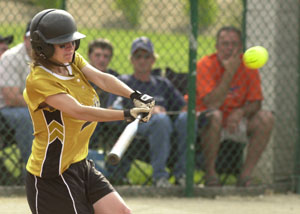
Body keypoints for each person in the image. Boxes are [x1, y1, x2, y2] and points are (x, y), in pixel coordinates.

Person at [24, 9, 154, 214]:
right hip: (52, 176)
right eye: (63, 44)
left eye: (73, 42)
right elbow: (79, 111)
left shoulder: (71, 61)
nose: (70, 48)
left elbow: (103, 79)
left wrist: (135, 96)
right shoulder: (39, 80)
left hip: (80, 165)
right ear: (43, 47)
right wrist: (127, 114)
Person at [195, 26, 274, 187]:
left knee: (266, 118)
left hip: (234, 122)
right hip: (208, 122)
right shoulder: (205, 64)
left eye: (234, 44)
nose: (229, 49)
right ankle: (210, 174)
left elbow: (256, 102)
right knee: (215, 115)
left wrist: (241, 112)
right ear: (217, 47)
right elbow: (212, 103)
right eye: (225, 44)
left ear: (240, 48)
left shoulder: (248, 64)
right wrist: (229, 72)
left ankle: (245, 176)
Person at [107, 36, 187, 187]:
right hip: (134, 130)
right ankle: (160, 177)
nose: (142, 60)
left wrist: (184, 113)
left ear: (153, 60)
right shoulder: (124, 82)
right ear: (132, 60)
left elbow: (182, 107)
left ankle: (182, 174)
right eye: (138, 56)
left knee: (186, 119)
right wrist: (146, 111)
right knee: (160, 121)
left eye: (146, 56)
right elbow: (112, 110)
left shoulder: (162, 84)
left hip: (165, 132)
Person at [0, 21, 33, 166]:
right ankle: (33, 173)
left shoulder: (51, 57)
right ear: (25, 39)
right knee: (27, 117)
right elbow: (11, 99)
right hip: (6, 110)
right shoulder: (11, 57)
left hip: (30, 105)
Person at [87, 38, 119, 148]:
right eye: (97, 55)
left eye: (106, 56)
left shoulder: (115, 78)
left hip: (110, 120)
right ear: (89, 56)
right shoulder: (80, 77)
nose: (102, 59)